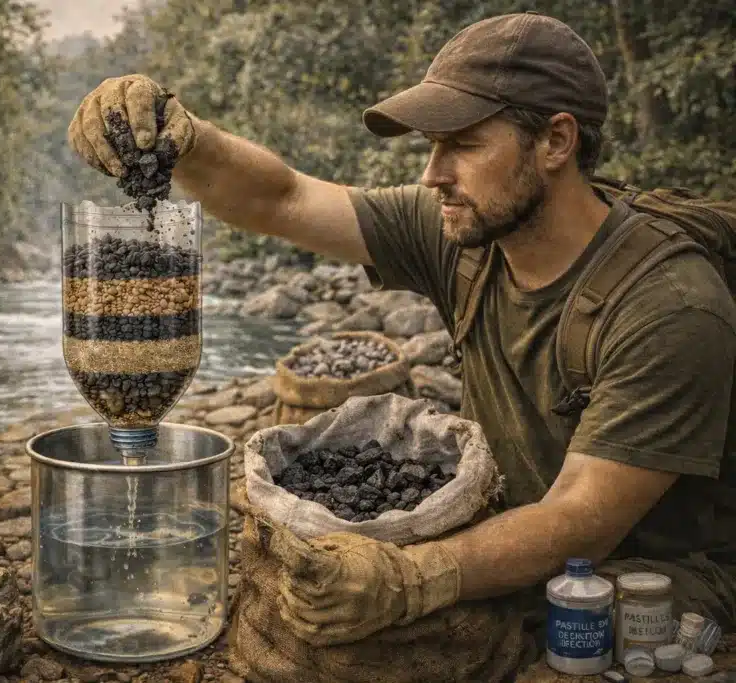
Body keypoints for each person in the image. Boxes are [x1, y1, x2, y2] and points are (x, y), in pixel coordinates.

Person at [69, 12, 736, 641]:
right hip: (516, 533)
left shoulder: (669, 305)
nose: (432, 173)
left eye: (463, 143)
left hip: (644, 581)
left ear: (556, 141)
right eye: (432, 145)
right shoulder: (466, 232)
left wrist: (411, 579)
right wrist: (185, 138)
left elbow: (580, 520)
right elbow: (283, 197)